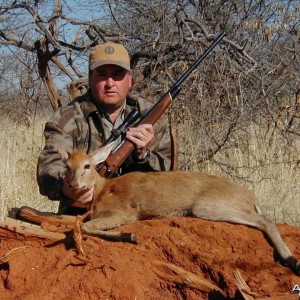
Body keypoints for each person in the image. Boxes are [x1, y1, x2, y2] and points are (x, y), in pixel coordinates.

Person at [37, 43, 172, 215]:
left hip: (142, 212)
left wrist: (143, 155)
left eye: (117, 75)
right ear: (90, 77)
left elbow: (170, 172)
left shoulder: (150, 116)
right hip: (84, 215)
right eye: (102, 75)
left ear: (129, 80)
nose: (110, 83)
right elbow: (49, 167)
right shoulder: (67, 118)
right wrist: (67, 187)